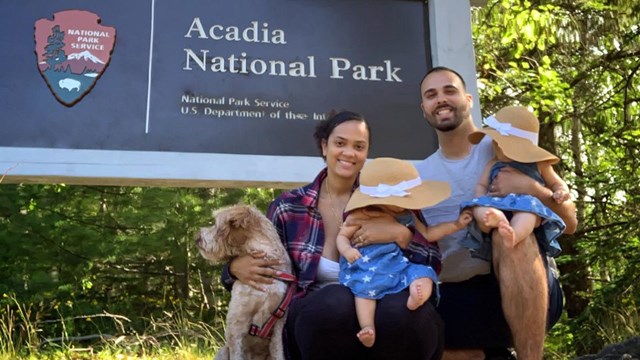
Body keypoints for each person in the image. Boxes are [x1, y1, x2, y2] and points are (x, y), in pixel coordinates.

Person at [220, 111, 445, 360]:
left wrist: (402, 235)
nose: (349, 153)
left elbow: (432, 262)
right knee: (335, 301)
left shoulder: (391, 197)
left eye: (359, 146)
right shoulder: (288, 207)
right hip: (317, 319)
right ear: (325, 146)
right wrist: (232, 270)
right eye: (340, 143)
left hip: (387, 308)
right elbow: (261, 263)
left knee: (399, 311)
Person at [413, 66, 578, 360]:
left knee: (511, 237)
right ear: (423, 108)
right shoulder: (418, 176)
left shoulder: (507, 147)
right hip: (456, 299)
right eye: (431, 94)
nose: (441, 99)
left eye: (449, 90)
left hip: (526, 288)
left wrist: (532, 188)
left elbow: (570, 222)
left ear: (468, 99)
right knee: (390, 315)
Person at [335, 157, 473, 348]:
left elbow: (428, 234)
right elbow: (342, 236)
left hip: (400, 265)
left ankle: (418, 296)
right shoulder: (359, 215)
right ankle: (368, 327)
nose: (406, 204)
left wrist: (456, 225)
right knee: (364, 293)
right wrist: (347, 249)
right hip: (369, 265)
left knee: (424, 273)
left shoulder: (408, 213)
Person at [460, 106, 569, 262]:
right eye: (494, 142)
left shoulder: (539, 164)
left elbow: (556, 182)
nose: (495, 147)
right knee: (478, 209)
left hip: (526, 203)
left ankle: (514, 235)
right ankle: (492, 221)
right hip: (496, 204)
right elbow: (482, 185)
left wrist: (560, 192)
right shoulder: (493, 163)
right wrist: (480, 199)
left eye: (501, 143)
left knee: (528, 215)